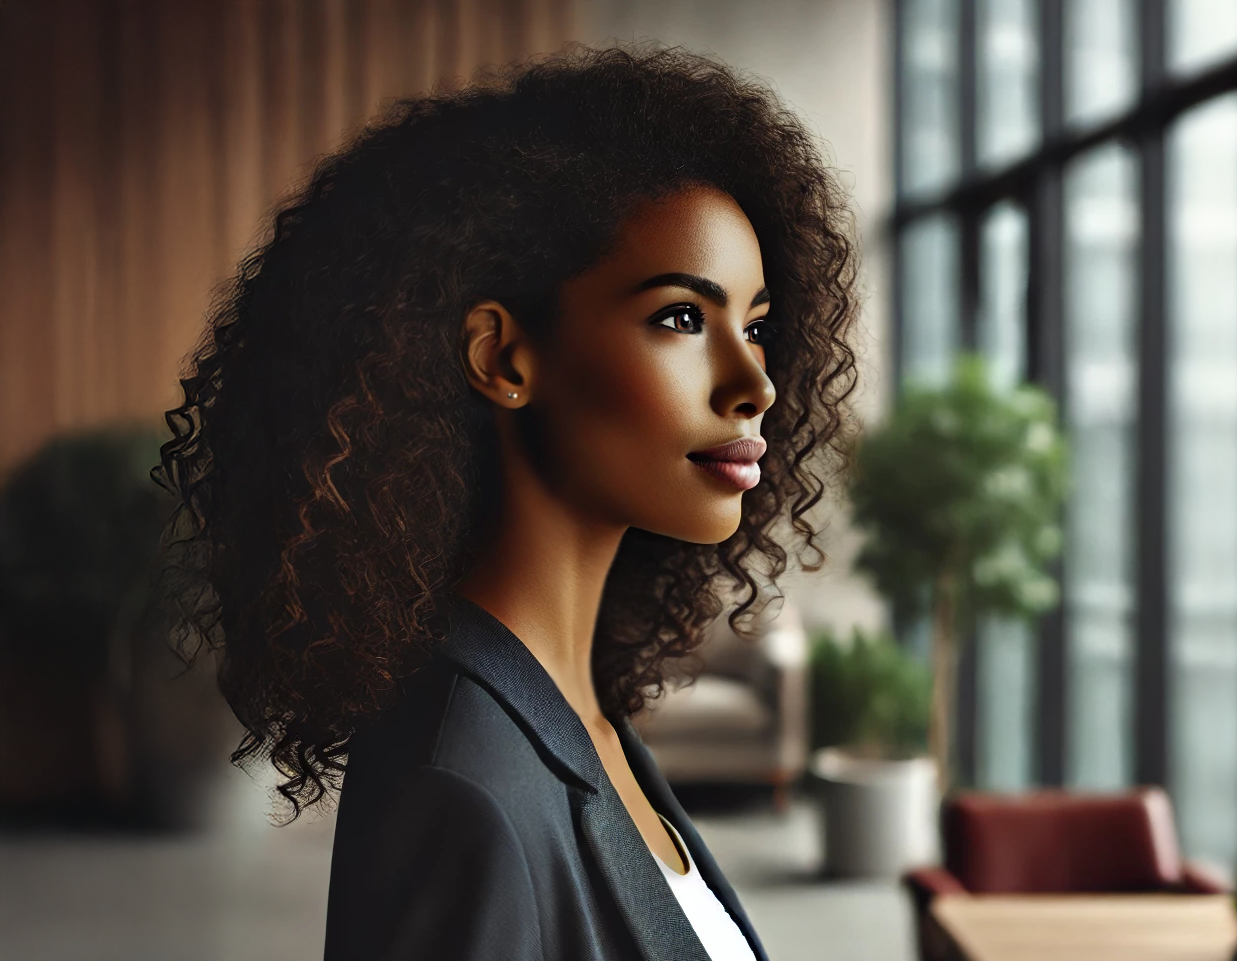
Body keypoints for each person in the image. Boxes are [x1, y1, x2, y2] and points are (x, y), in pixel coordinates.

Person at [155, 46, 857, 961]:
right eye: (682, 317)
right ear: (503, 358)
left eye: (754, 326)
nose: (753, 382)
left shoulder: (567, 719)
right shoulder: (465, 781)